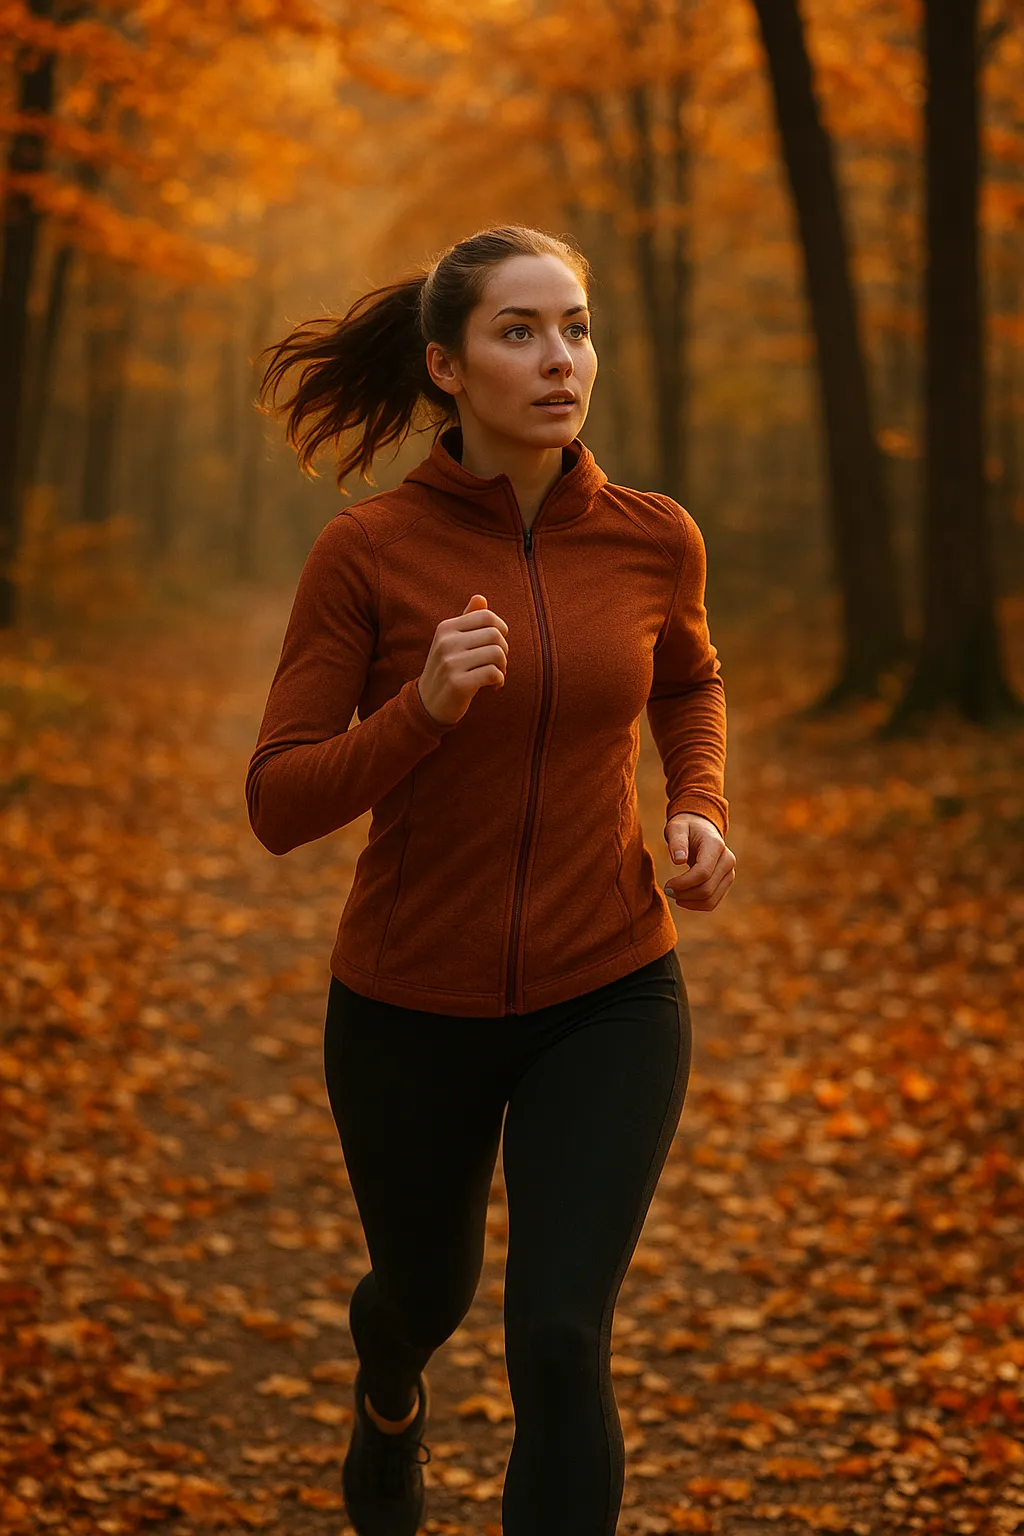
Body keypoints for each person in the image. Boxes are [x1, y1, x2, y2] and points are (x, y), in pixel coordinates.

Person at [245, 224, 736, 1536]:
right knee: (425, 1294)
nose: (560, 358)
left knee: (562, 1336)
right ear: (447, 368)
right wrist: (420, 711)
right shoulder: (367, 554)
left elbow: (688, 678)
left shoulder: (652, 538)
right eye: (519, 332)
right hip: (409, 1002)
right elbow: (278, 801)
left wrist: (697, 804)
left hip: (610, 988)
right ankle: (388, 1386)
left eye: (576, 328)